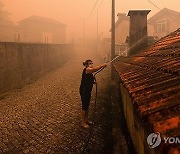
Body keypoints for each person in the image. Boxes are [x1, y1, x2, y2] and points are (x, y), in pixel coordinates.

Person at [79, 59, 107, 128]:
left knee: (87, 106)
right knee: (84, 106)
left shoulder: (90, 72)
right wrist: (102, 65)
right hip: (84, 90)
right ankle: (83, 122)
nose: (91, 64)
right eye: (90, 63)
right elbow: (94, 69)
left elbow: (88, 79)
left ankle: (86, 120)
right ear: (86, 65)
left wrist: (93, 82)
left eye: (92, 63)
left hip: (88, 90)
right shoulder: (87, 70)